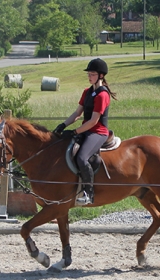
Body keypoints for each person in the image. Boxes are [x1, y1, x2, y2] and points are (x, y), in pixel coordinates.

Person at [52, 58, 117, 205]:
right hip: (86, 130)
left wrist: (75, 132)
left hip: (98, 132)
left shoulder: (102, 95)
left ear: (101, 76)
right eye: (88, 74)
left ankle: (88, 193)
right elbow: (77, 114)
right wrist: (63, 125)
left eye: (92, 74)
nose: (89, 76)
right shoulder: (87, 92)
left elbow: (94, 121)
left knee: (82, 158)